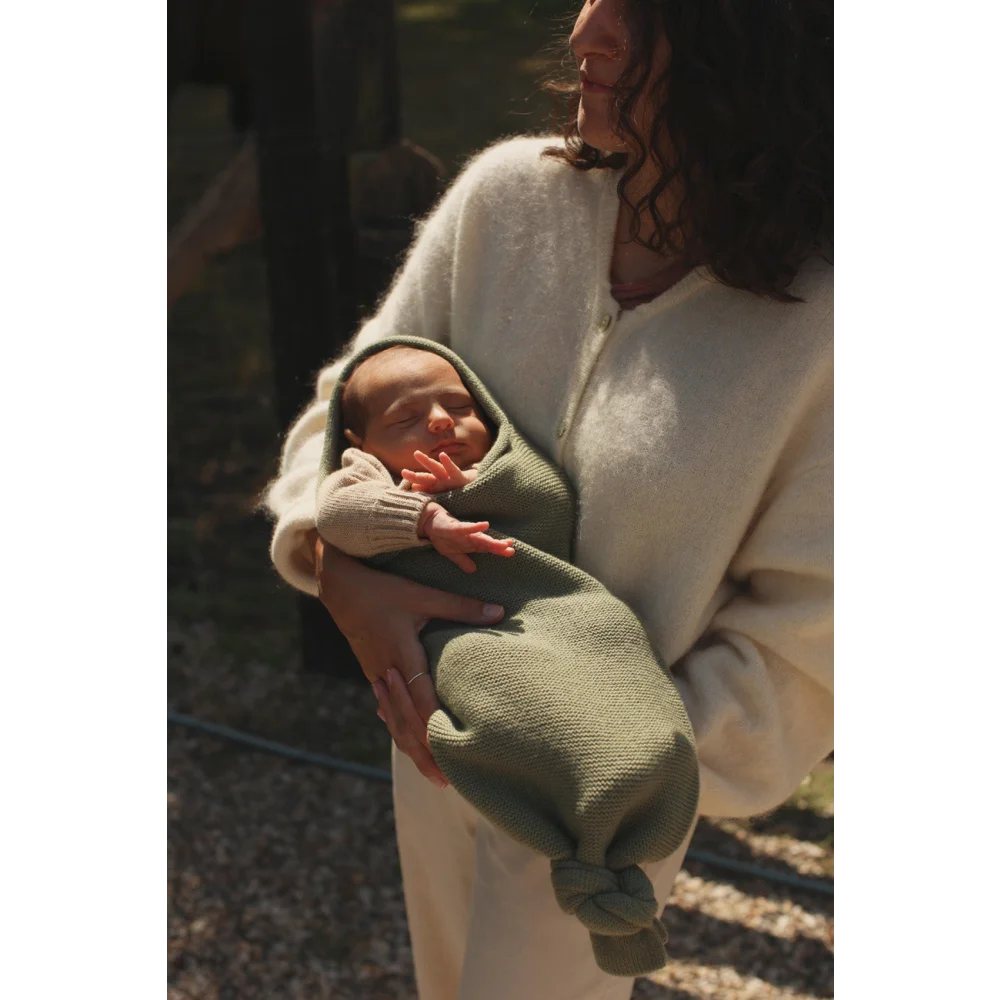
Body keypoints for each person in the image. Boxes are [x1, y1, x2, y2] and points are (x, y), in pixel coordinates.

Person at [262, 0, 838, 996]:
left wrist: (595, 755)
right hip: (425, 737)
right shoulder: (502, 204)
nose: (584, 33)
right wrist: (337, 568)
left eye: (640, 11)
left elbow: (800, 652)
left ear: (762, 40)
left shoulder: (822, 329)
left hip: (596, 814)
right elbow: (339, 414)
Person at [314, 344, 516, 573]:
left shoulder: (505, 457)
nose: (441, 418)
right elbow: (333, 515)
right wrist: (424, 519)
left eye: (459, 406)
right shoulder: (367, 473)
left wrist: (480, 478)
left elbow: (550, 492)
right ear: (361, 442)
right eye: (406, 419)